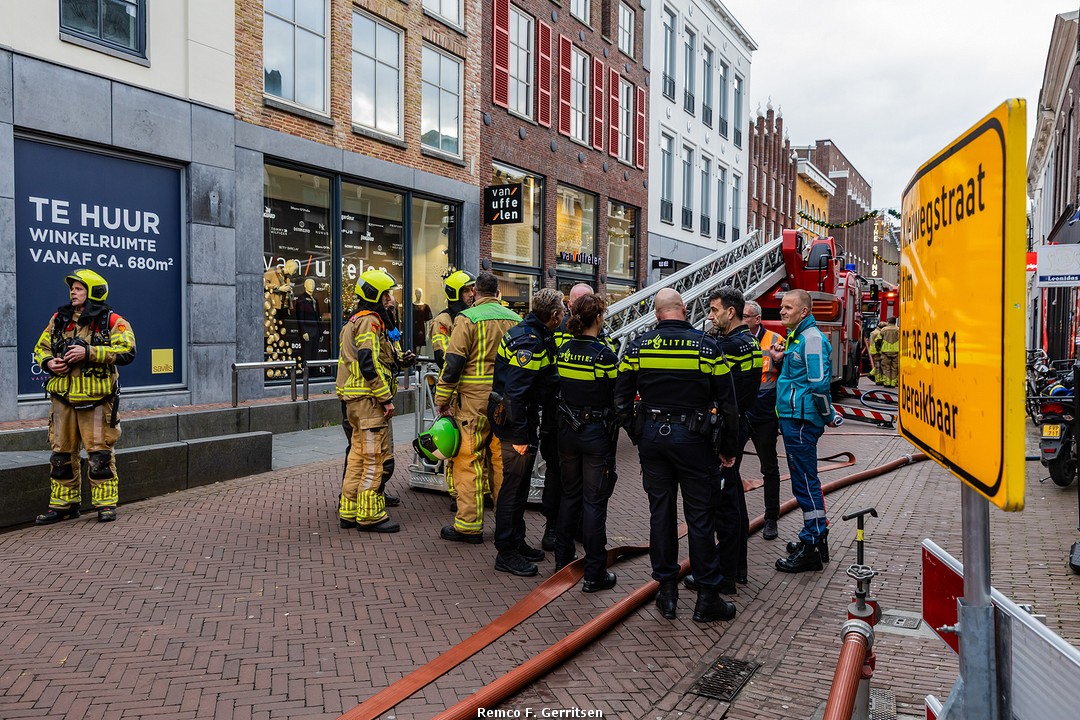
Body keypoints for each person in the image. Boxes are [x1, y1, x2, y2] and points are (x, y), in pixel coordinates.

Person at [614, 289, 740, 623]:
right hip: (695, 441)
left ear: (657, 315)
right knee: (700, 518)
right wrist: (728, 449)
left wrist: (637, 432)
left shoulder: (638, 346)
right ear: (683, 310)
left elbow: (621, 397)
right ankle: (707, 598)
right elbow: (728, 403)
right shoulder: (706, 346)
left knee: (661, 514)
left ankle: (667, 592)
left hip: (653, 439)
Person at [33, 269, 135, 524]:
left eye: (78, 288)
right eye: (72, 288)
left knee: (99, 455)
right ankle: (63, 505)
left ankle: (105, 504)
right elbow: (40, 348)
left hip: (97, 401)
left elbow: (127, 351)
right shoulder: (59, 318)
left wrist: (88, 353)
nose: (73, 292)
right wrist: (48, 363)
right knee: (61, 455)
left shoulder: (112, 321)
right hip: (63, 399)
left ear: (93, 291)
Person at [435, 272, 520, 544]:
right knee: (500, 462)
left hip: (472, 403)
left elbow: (453, 363)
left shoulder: (466, 319)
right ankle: (506, 525)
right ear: (497, 292)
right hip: (504, 401)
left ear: (475, 292)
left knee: (467, 460)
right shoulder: (516, 320)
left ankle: (468, 525)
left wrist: (442, 398)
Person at [488, 288, 564, 576]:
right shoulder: (529, 342)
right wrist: (520, 437)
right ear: (555, 315)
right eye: (562, 312)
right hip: (515, 423)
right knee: (513, 486)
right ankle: (505, 551)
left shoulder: (532, 332)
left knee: (517, 486)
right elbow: (515, 394)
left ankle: (516, 541)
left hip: (519, 419)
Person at [691, 287, 761, 594]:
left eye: (714, 310)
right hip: (739, 423)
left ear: (730, 312)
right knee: (733, 497)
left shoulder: (728, 347)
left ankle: (724, 575)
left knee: (723, 503)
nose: (710, 315)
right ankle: (737, 567)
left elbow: (712, 389)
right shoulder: (750, 343)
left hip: (725, 429)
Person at [553, 293, 620, 592]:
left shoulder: (563, 349)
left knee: (570, 496)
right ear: (597, 319)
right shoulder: (604, 354)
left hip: (567, 431)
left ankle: (562, 562)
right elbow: (613, 394)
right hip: (595, 433)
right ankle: (594, 572)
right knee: (594, 503)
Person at [767, 289, 833, 573]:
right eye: (782, 307)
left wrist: (828, 414)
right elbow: (801, 376)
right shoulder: (798, 337)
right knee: (804, 480)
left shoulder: (812, 338)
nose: (782, 311)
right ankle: (816, 537)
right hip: (795, 418)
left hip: (802, 421)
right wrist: (781, 361)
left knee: (804, 482)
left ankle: (812, 543)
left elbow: (818, 384)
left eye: (788, 307)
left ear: (804, 312)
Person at [337, 269, 403, 533]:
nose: (390, 300)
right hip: (368, 401)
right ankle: (370, 515)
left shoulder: (352, 320)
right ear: (375, 294)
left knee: (356, 457)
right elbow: (368, 361)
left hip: (353, 401)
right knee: (375, 459)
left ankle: (349, 510)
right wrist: (385, 398)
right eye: (386, 294)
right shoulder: (370, 321)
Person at [542, 282, 599, 551]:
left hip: (573, 419)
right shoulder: (554, 332)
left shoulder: (596, 335)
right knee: (559, 477)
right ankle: (554, 529)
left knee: (573, 481)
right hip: (562, 418)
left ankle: (569, 532)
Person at [430, 270, 478, 512]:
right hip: (453, 392)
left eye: (472, 290)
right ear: (456, 293)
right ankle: (455, 491)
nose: (472, 294)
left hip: (468, 392)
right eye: (468, 290)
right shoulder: (443, 321)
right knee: (456, 443)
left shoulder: (470, 318)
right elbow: (442, 357)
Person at [742, 300, 784, 541]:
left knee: (769, 468)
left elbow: (786, 372)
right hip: (742, 413)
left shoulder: (775, 340)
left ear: (757, 319)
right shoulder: (736, 341)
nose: (742, 319)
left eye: (746, 316)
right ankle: (735, 517)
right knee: (729, 465)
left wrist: (780, 360)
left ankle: (771, 519)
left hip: (765, 415)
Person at [878, 317, 900, 388]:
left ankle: (887, 383)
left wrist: (879, 349)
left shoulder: (884, 329)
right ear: (894, 322)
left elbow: (878, 340)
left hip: (885, 351)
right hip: (896, 351)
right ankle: (893, 383)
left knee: (886, 367)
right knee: (894, 368)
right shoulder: (898, 329)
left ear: (888, 321)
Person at [867, 320, 884, 385]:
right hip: (877, 351)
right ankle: (878, 380)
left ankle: (872, 374)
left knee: (878, 365)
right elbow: (878, 343)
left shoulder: (874, 332)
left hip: (873, 350)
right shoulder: (878, 333)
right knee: (878, 366)